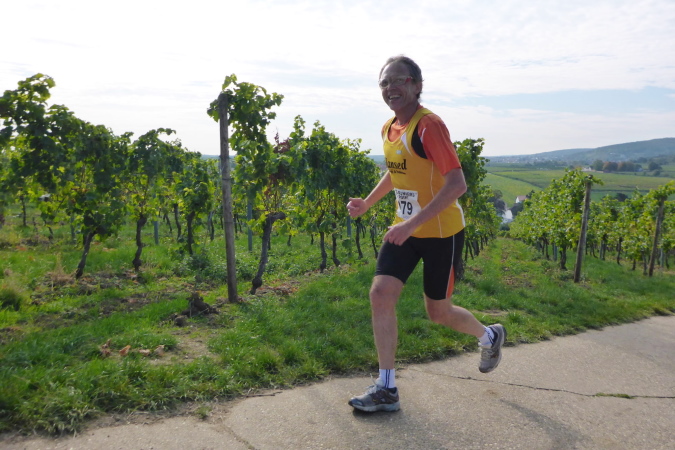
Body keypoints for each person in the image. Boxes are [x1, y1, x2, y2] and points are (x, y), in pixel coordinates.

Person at [346, 55, 506, 412]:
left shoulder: (429, 126)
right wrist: (368, 203)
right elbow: (396, 172)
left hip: (441, 233)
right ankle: (386, 388)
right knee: (380, 294)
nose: (391, 88)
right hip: (405, 230)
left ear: (417, 85)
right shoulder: (389, 128)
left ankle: (489, 335)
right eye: (384, 82)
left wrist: (411, 224)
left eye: (399, 80)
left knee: (438, 312)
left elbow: (457, 184)